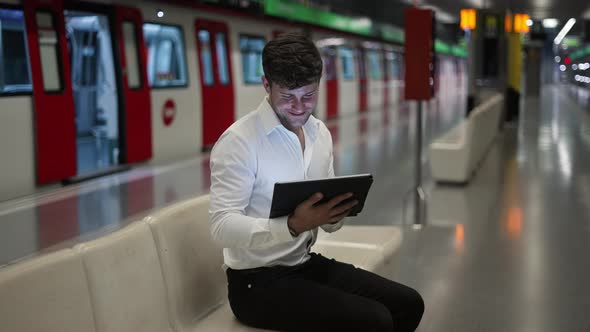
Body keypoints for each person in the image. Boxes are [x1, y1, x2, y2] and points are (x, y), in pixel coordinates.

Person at [209, 32, 424, 332]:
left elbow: (328, 222)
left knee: (408, 304)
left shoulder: (319, 134)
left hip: (303, 263)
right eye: (288, 97)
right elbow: (221, 227)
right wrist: (292, 225)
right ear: (266, 85)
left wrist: (334, 214)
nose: (299, 107)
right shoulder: (239, 142)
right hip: (255, 284)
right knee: (374, 320)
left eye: (309, 96)